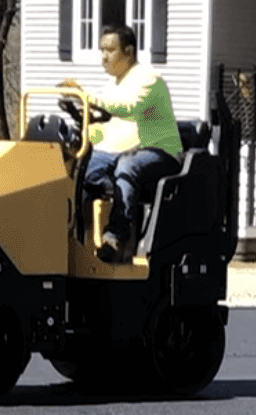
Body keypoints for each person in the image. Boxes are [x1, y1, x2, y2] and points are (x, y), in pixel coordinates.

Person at [77, 24, 183, 262]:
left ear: (129, 51)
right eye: (101, 50)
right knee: (80, 169)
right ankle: (72, 235)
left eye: (110, 50)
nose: (104, 57)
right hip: (123, 150)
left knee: (127, 167)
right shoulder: (113, 84)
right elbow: (109, 128)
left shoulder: (148, 79)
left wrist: (89, 98)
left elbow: (130, 108)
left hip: (160, 152)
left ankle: (115, 237)